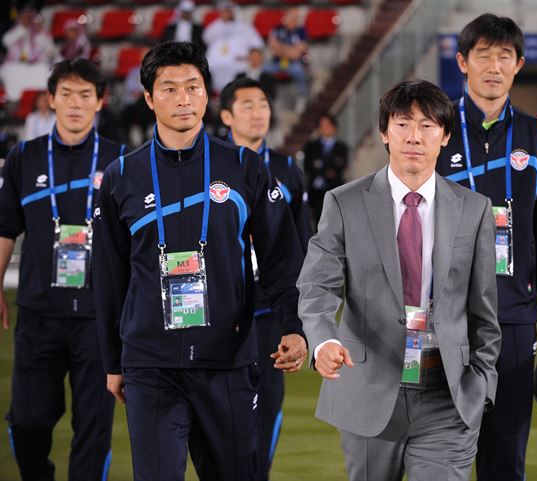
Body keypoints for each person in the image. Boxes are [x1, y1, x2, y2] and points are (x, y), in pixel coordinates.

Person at [92, 41, 307, 481]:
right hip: (151, 363)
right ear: (149, 98)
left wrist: (293, 325)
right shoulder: (120, 176)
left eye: (193, 86)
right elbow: (110, 277)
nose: (184, 98)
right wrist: (113, 361)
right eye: (169, 89)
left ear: (207, 94)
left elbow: (281, 256)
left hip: (226, 361)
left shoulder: (244, 167)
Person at [298, 79, 501, 481]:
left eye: (427, 126)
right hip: (370, 388)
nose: (414, 136)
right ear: (384, 132)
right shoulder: (343, 202)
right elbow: (316, 285)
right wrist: (323, 339)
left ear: (444, 136)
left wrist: (481, 381)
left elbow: (484, 308)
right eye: (403, 124)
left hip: (447, 393)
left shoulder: (474, 210)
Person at [435, 14, 537, 481]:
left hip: (513, 315)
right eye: (483, 55)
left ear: (518, 66)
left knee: (506, 453)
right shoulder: (434, 130)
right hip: (441, 315)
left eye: (504, 57)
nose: (494, 66)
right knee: (439, 450)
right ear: (462, 63)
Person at [0, 57, 127, 481]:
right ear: (50, 99)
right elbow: (4, 228)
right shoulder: (25, 157)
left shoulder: (121, 161)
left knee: (93, 431)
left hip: (99, 319)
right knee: (28, 421)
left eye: (85, 95)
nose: (75, 104)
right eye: (66, 94)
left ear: (100, 102)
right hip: (38, 315)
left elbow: (135, 240)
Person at [219, 76, 312, 481]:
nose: (258, 113)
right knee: (222, 418)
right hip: (223, 315)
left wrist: (301, 312)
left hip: (271, 314)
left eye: (263, 104)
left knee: (268, 409)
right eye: (247, 105)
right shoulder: (214, 166)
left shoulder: (288, 169)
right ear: (226, 116)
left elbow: (302, 243)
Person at [202, 0, 264, 93]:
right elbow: (206, 38)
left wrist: (249, 56)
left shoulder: (244, 26)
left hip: (239, 62)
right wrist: (222, 22)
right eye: (225, 11)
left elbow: (257, 44)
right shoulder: (217, 26)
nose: (228, 14)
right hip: (215, 63)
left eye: (229, 11)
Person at [302, 112, 349, 226]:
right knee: (318, 222)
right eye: (322, 125)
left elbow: (340, 168)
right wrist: (328, 170)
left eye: (328, 125)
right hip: (316, 192)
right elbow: (308, 167)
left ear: (334, 126)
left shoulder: (342, 147)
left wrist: (320, 166)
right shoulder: (311, 146)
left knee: (336, 222)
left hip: (335, 189)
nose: (325, 128)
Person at [264, 7, 308, 111]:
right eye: (291, 17)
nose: (293, 20)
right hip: (277, 63)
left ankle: (301, 97)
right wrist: (290, 50)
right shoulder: (277, 29)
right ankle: (265, 97)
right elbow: (273, 48)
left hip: (293, 64)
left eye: (295, 18)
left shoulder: (301, 31)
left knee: (299, 70)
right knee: (263, 69)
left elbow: (297, 54)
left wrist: (281, 48)